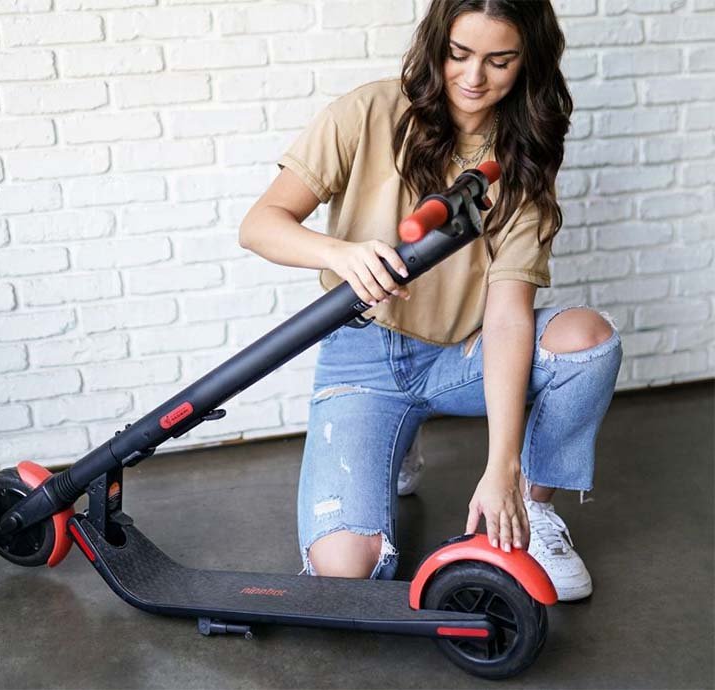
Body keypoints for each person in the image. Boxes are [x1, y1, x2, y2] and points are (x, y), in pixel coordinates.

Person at [239, 0, 622, 602]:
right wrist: (338, 254)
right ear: (436, 44)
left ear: (529, 63)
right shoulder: (368, 112)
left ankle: (534, 506)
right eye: (459, 54)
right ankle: (397, 439)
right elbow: (261, 224)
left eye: (499, 61)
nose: (473, 79)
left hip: (459, 358)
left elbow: (507, 315)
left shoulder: (520, 158)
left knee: (587, 342)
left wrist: (503, 468)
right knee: (345, 574)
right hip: (363, 359)